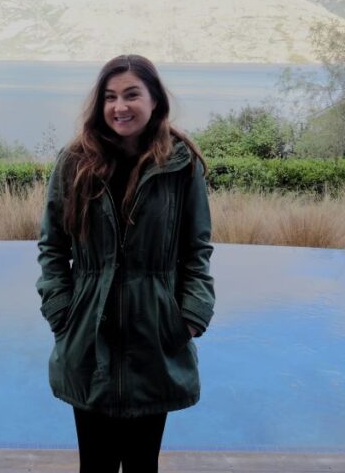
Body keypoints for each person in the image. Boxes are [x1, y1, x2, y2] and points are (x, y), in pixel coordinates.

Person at [36, 54, 215, 473]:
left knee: (141, 465)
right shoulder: (74, 162)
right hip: (87, 333)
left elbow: (197, 249)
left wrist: (189, 314)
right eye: (111, 96)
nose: (120, 106)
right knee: (95, 465)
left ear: (154, 100)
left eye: (132, 94)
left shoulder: (181, 164)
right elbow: (52, 246)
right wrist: (61, 311)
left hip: (154, 333)